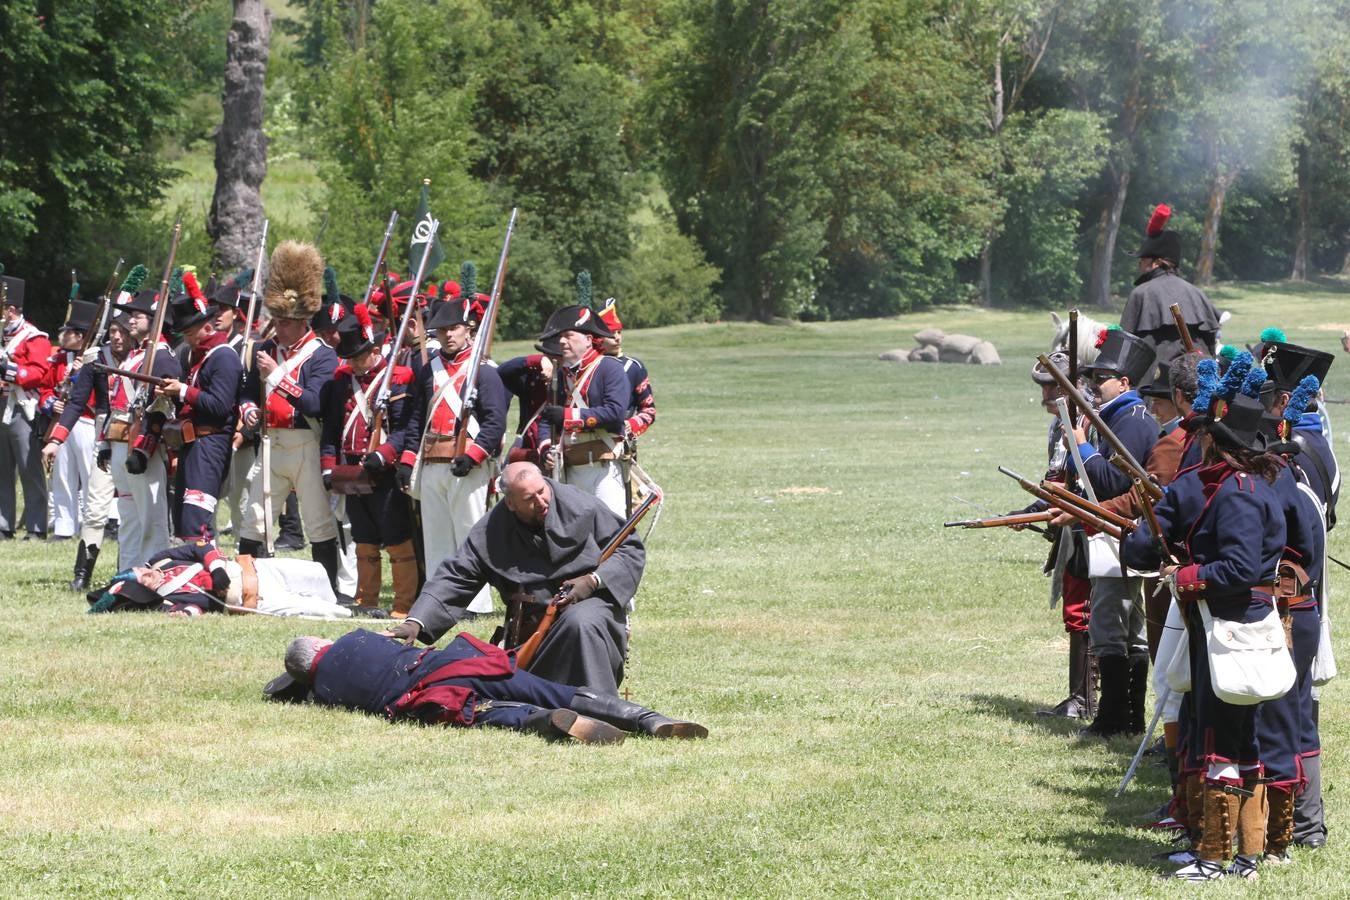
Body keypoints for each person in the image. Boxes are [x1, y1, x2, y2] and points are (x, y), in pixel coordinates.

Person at [1122, 374, 1286, 882]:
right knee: (1238, 739)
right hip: (1233, 625)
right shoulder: (1246, 486)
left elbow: (1238, 569)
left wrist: (1183, 574)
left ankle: (1215, 858)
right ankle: (1246, 857)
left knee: (1220, 740)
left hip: (1229, 627)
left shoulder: (1235, 495)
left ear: (1216, 440)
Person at [388, 462, 641, 696]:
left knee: (579, 621)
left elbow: (629, 548)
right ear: (510, 503)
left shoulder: (583, 505)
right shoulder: (492, 530)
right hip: (532, 634)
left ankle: (598, 703)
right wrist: (416, 621)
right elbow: (456, 576)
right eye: (530, 499)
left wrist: (593, 580)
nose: (541, 501)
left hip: (593, 612)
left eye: (542, 491)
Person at [267, 628, 706, 744]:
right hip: (451, 662)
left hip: (428, 695)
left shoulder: (322, 690)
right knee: (550, 687)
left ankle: (547, 724)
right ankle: (648, 720)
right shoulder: (356, 637)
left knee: (487, 713)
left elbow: (291, 688)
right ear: (321, 643)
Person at [238, 241, 341, 590]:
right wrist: (249, 410)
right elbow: (248, 392)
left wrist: (278, 377)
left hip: (305, 442)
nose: (278, 328)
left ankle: (328, 589)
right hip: (270, 441)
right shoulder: (266, 350)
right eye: (277, 320)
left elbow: (315, 404)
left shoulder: (322, 356)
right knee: (255, 518)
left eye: (285, 322)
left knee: (318, 520)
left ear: (302, 322)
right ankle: (246, 585)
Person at [1072, 327, 1158, 738]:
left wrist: (1081, 446)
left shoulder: (1133, 420)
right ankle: (1128, 717)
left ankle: (1113, 717)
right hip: (1116, 533)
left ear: (1124, 382)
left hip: (1122, 534)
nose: (1093, 386)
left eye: (1100, 379)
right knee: (1128, 628)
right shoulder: (1120, 415)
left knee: (1112, 627)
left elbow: (1111, 483)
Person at [404, 292, 507, 615]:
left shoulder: (485, 370)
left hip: (467, 464)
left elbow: (495, 422)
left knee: (469, 536)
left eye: (454, 328)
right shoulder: (427, 371)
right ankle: (439, 605)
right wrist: (408, 461)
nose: (447, 334)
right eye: (441, 329)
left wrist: (474, 456)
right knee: (436, 541)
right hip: (433, 461)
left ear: (468, 329)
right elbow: (415, 420)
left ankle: (477, 605)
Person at [319, 304, 419, 615]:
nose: (355, 364)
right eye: (349, 358)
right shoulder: (340, 383)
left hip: (384, 471)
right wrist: (328, 468)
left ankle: (404, 604)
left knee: (397, 538)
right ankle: (366, 601)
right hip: (351, 472)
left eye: (359, 357)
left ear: (375, 351)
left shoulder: (399, 378)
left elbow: (405, 428)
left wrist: (385, 454)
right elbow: (331, 430)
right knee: (363, 539)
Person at [159, 275, 244, 542]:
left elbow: (220, 406)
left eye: (189, 332)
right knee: (185, 521)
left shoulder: (224, 357)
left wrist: (183, 390)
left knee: (198, 522)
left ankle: (206, 576)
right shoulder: (200, 357)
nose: (187, 339)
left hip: (210, 444)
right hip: (193, 442)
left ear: (206, 327)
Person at [101, 290, 182, 569]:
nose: (130, 320)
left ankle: (154, 575)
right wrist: (105, 444)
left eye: (137, 315)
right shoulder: (135, 355)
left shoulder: (162, 356)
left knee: (151, 517)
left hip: (142, 445)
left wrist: (144, 450)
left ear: (155, 319)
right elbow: (117, 404)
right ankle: (128, 573)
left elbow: (161, 406)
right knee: (128, 513)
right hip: (121, 440)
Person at [537, 305, 630, 517]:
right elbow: (547, 419)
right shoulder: (561, 376)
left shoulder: (609, 368)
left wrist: (569, 417)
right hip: (569, 466)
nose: (562, 342)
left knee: (611, 530)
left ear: (588, 339)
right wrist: (545, 449)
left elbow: (615, 412)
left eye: (569, 336)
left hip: (602, 465)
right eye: (561, 337)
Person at [1121, 203, 1221, 384]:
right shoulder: (1197, 293)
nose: (1139, 265)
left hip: (1154, 391)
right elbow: (1211, 349)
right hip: (1198, 388)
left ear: (1157, 262)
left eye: (1143, 259)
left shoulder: (1141, 294)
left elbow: (1124, 350)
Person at [39, 300, 100, 546]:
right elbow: (45, 388)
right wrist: (51, 403)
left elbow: (97, 395)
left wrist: (80, 374)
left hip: (85, 421)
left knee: (89, 476)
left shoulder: (94, 358)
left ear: (81, 335)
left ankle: (93, 525)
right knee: (61, 476)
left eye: (68, 332)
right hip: (60, 423)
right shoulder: (58, 359)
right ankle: (64, 526)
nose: (62, 336)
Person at [0, 268, 53, 539]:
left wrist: (8, 369)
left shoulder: (34, 337)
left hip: (20, 407)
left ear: (10, 310)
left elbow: (38, 373)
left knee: (29, 468)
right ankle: (3, 524)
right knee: (1, 468)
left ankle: (35, 526)